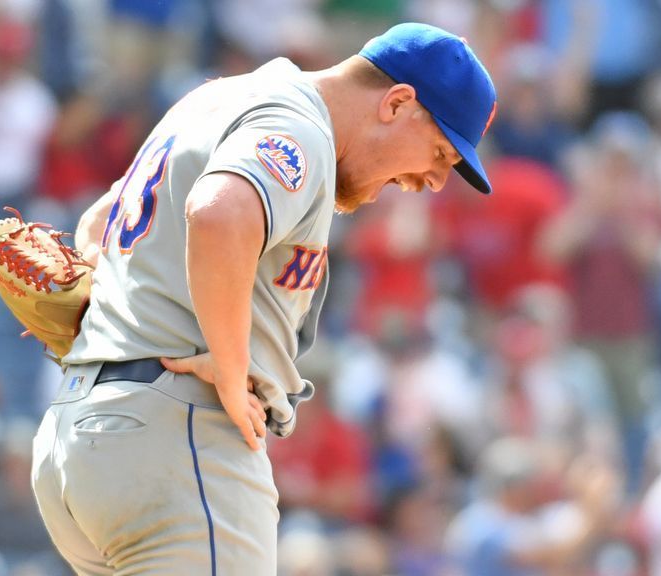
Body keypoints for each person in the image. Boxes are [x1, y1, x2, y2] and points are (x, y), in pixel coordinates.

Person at [30, 22, 497, 574]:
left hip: (81, 440)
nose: (434, 182)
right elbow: (220, 213)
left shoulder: (217, 99)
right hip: (181, 440)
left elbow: (96, 225)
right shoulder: (300, 124)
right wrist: (231, 371)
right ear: (396, 104)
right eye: (440, 153)